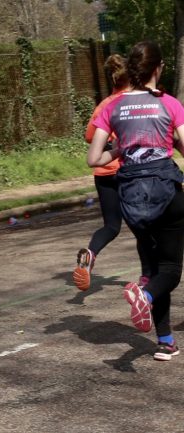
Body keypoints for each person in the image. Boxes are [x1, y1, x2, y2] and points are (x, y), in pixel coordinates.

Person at [87, 41, 184, 361]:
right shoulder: (169, 103)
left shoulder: (112, 108)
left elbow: (94, 158)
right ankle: (143, 294)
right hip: (166, 193)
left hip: (132, 199)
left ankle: (166, 341)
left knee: (155, 266)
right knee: (169, 270)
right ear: (158, 69)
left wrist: (121, 150)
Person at [73, 54, 156, 291]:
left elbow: (90, 136)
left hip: (103, 172)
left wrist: (108, 139)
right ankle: (147, 277)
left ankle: (90, 253)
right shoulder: (134, 101)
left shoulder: (105, 104)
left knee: (111, 226)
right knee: (142, 227)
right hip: (126, 170)